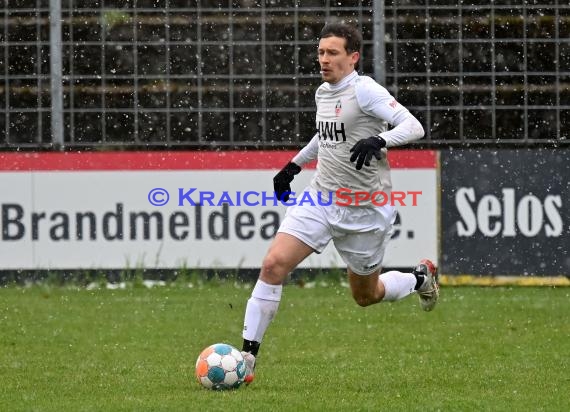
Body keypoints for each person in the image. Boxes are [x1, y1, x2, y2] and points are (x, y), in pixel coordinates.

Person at [240, 22, 438, 384]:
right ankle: (246, 358)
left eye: (332, 53)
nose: (324, 60)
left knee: (366, 296)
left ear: (353, 57)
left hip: (365, 208)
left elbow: (413, 126)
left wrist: (380, 139)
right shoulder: (323, 93)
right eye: (320, 52)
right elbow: (325, 136)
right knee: (273, 265)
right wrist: (293, 165)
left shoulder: (365, 91)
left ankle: (419, 277)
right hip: (320, 197)